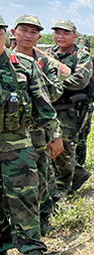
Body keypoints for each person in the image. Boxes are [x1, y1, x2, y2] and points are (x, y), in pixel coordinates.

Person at [0, 14, 63, 255]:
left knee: (24, 201)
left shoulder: (24, 65)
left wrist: (55, 135)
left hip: (17, 146)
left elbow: (44, 106)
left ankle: (33, 254)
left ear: (5, 34)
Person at [12, 15, 63, 235]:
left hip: (38, 130)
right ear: (14, 33)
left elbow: (54, 93)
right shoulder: (6, 61)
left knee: (40, 176)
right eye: (24, 30)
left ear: (39, 37)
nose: (28, 35)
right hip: (13, 131)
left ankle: (42, 220)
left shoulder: (46, 64)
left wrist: (36, 79)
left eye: (33, 32)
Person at [50, 20, 93, 197]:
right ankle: (75, 175)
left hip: (70, 109)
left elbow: (79, 81)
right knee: (48, 146)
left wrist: (52, 83)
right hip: (49, 107)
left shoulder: (81, 56)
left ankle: (64, 189)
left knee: (65, 148)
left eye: (66, 33)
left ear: (74, 37)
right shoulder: (48, 53)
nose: (61, 36)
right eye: (57, 32)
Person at [74, 37, 94, 170]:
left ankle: (79, 164)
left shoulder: (93, 66)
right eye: (79, 48)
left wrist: (88, 82)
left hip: (86, 106)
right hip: (69, 106)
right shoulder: (71, 63)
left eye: (84, 49)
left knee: (82, 137)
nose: (82, 51)